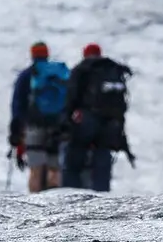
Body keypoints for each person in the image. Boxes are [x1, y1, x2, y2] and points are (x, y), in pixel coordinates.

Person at [61, 43, 131, 192]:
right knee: (102, 159)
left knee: (74, 160)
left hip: (87, 120)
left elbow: (71, 97)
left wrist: (67, 121)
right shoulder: (112, 69)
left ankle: (70, 194)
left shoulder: (83, 68)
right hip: (111, 123)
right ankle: (102, 194)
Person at [9, 41, 69, 192]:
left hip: (34, 126)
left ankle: (36, 205)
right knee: (54, 169)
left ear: (33, 54)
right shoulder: (59, 74)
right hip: (57, 127)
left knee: (36, 170)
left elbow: (18, 105)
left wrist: (16, 132)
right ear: (47, 53)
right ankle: (55, 204)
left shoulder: (26, 75)